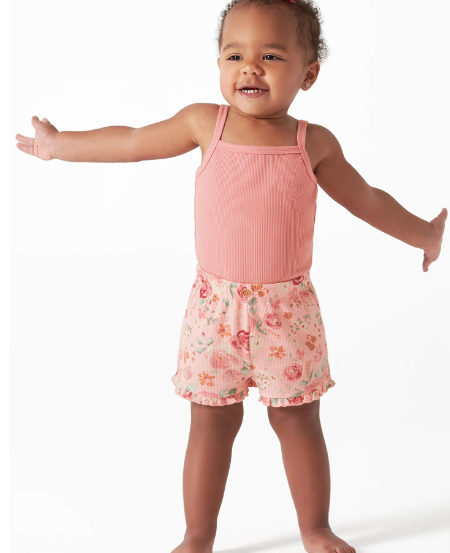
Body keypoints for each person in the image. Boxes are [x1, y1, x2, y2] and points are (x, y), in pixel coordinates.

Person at [15, 1, 447, 551]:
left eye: (272, 56)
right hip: (212, 312)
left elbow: (366, 200)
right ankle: (198, 535)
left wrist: (423, 234)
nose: (251, 67)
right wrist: (60, 146)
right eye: (235, 55)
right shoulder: (204, 124)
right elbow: (131, 142)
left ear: (308, 74)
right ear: (219, 63)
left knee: (298, 421)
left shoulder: (312, 143)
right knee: (210, 423)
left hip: (289, 315)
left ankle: (315, 528)